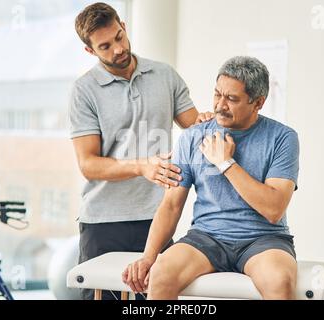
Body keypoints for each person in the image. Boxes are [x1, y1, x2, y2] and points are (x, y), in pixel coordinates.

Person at [123, 56, 300, 300]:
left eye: (232, 99)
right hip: (206, 238)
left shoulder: (283, 138)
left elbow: (273, 209)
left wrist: (226, 163)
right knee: (161, 273)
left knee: (280, 282)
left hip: (263, 239)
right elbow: (172, 205)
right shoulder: (193, 137)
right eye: (217, 94)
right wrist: (148, 257)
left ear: (258, 102)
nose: (220, 105)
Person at [69, 2, 212, 300]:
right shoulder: (84, 91)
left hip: (156, 219)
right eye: (105, 46)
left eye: (119, 37)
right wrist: (141, 166)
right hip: (103, 223)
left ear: (123, 25)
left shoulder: (164, 75)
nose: (117, 49)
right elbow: (89, 164)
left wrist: (210, 120)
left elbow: (193, 126)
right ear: (90, 51)